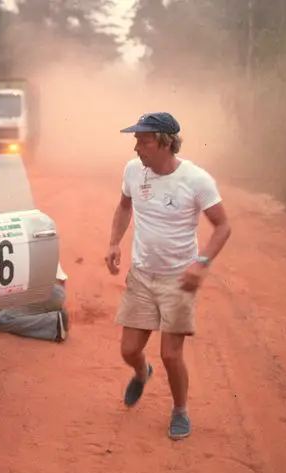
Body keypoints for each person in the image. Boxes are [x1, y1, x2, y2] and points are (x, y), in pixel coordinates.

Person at [105, 112, 232, 441]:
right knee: (129, 350)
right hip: (142, 274)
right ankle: (140, 372)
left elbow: (223, 225)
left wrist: (201, 263)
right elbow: (123, 206)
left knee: (171, 354)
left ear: (164, 143)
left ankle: (180, 410)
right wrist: (114, 243)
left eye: (143, 141)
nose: (136, 148)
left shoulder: (196, 179)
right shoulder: (134, 171)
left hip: (179, 278)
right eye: (136, 140)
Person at [0, 263, 69, 343]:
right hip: (56, 290)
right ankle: (49, 312)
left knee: (0, 320)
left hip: (44, 292)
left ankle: (54, 323)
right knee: (5, 309)